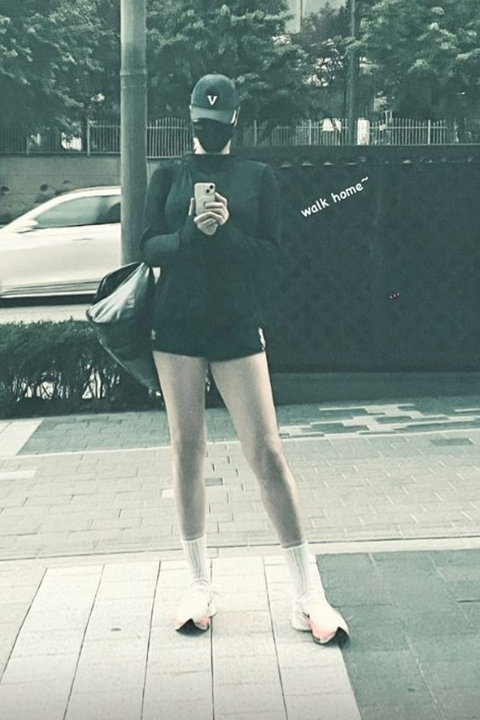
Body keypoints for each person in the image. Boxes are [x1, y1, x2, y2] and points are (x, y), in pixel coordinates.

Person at [140, 73, 349, 645]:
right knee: (187, 450)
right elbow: (147, 245)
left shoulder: (258, 177)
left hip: (235, 326)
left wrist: (226, 230)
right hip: (175, 327)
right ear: (190, 120)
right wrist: (190, 233)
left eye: (217, 122)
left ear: (235, 119)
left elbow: (273, 257)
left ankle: (309, 595)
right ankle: (198, 585)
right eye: (199, 122)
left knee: (267, 453)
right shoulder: (168, 175)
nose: (208, 131)